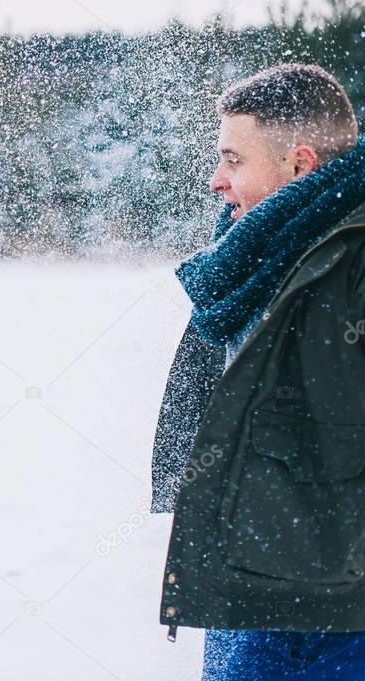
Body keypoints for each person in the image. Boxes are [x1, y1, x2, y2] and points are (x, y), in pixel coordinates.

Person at [150, 63, 365, 680]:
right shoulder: (251, 267)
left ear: (300, 164)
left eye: (234, 160)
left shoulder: (351, 266)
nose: (216, 181)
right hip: (254, 603)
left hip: (333, 625)